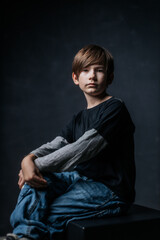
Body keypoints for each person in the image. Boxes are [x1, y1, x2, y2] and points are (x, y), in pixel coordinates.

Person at [5, 44, 136, 240]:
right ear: (76, 78)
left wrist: (33, 166)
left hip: (109, 190)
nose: (92, 76)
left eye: (99, 70)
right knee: (36, 181)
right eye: (86, 70)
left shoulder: (115, 108)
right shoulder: (78, 118)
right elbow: (57, 144)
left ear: (109, 77)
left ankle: (27, 236)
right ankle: (25, 235)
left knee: (48, 211)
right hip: (79, 178)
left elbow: (82, 148)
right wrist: (29, 159)